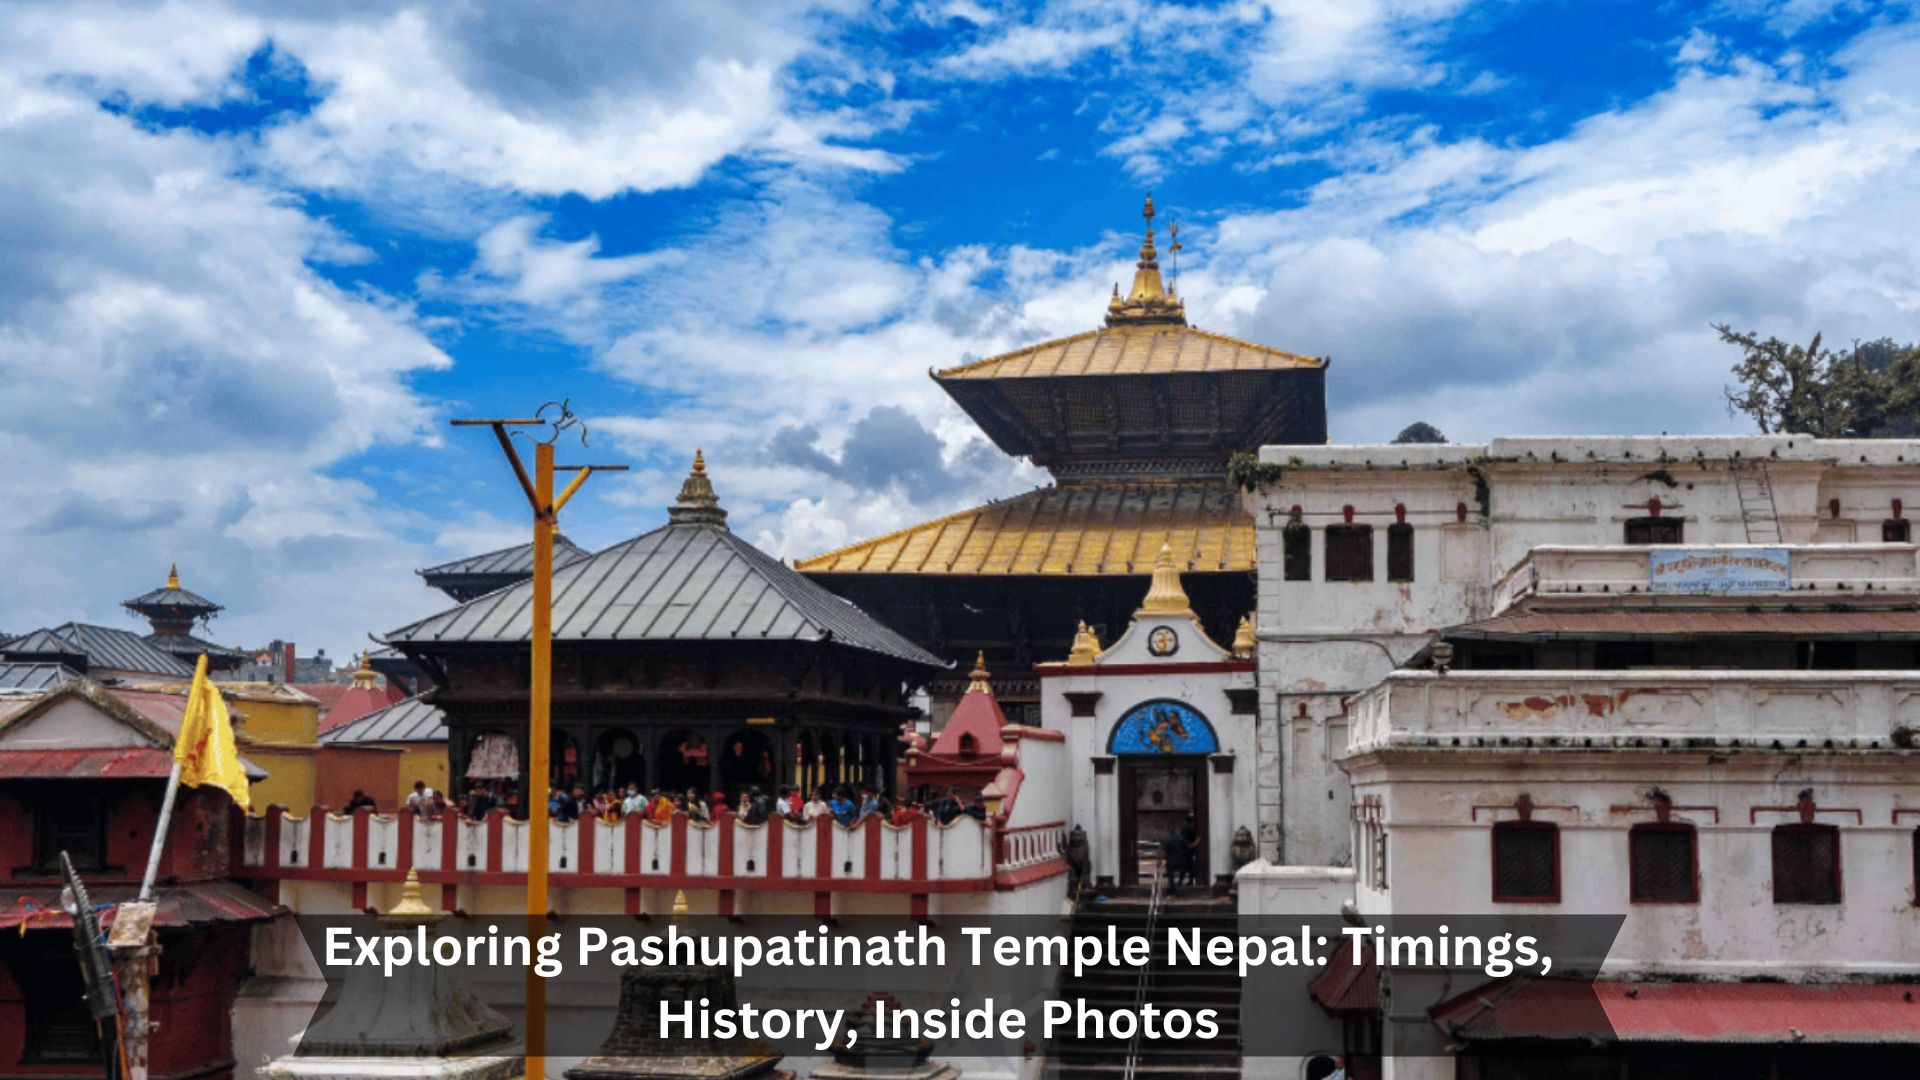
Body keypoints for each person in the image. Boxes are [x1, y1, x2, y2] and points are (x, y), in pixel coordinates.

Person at [1160, 825, 1191, 896]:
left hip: (1171, 861)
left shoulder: (1166, 840)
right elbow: (1188, 846)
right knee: (1184, 868)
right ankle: (1180, 881)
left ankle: (1173, 888)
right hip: (1181, 859)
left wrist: (1160, 860)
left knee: (1170, 874)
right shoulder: (1181, 838)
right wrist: (1196, 842)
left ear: (1169, 831)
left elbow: (1163, 852)